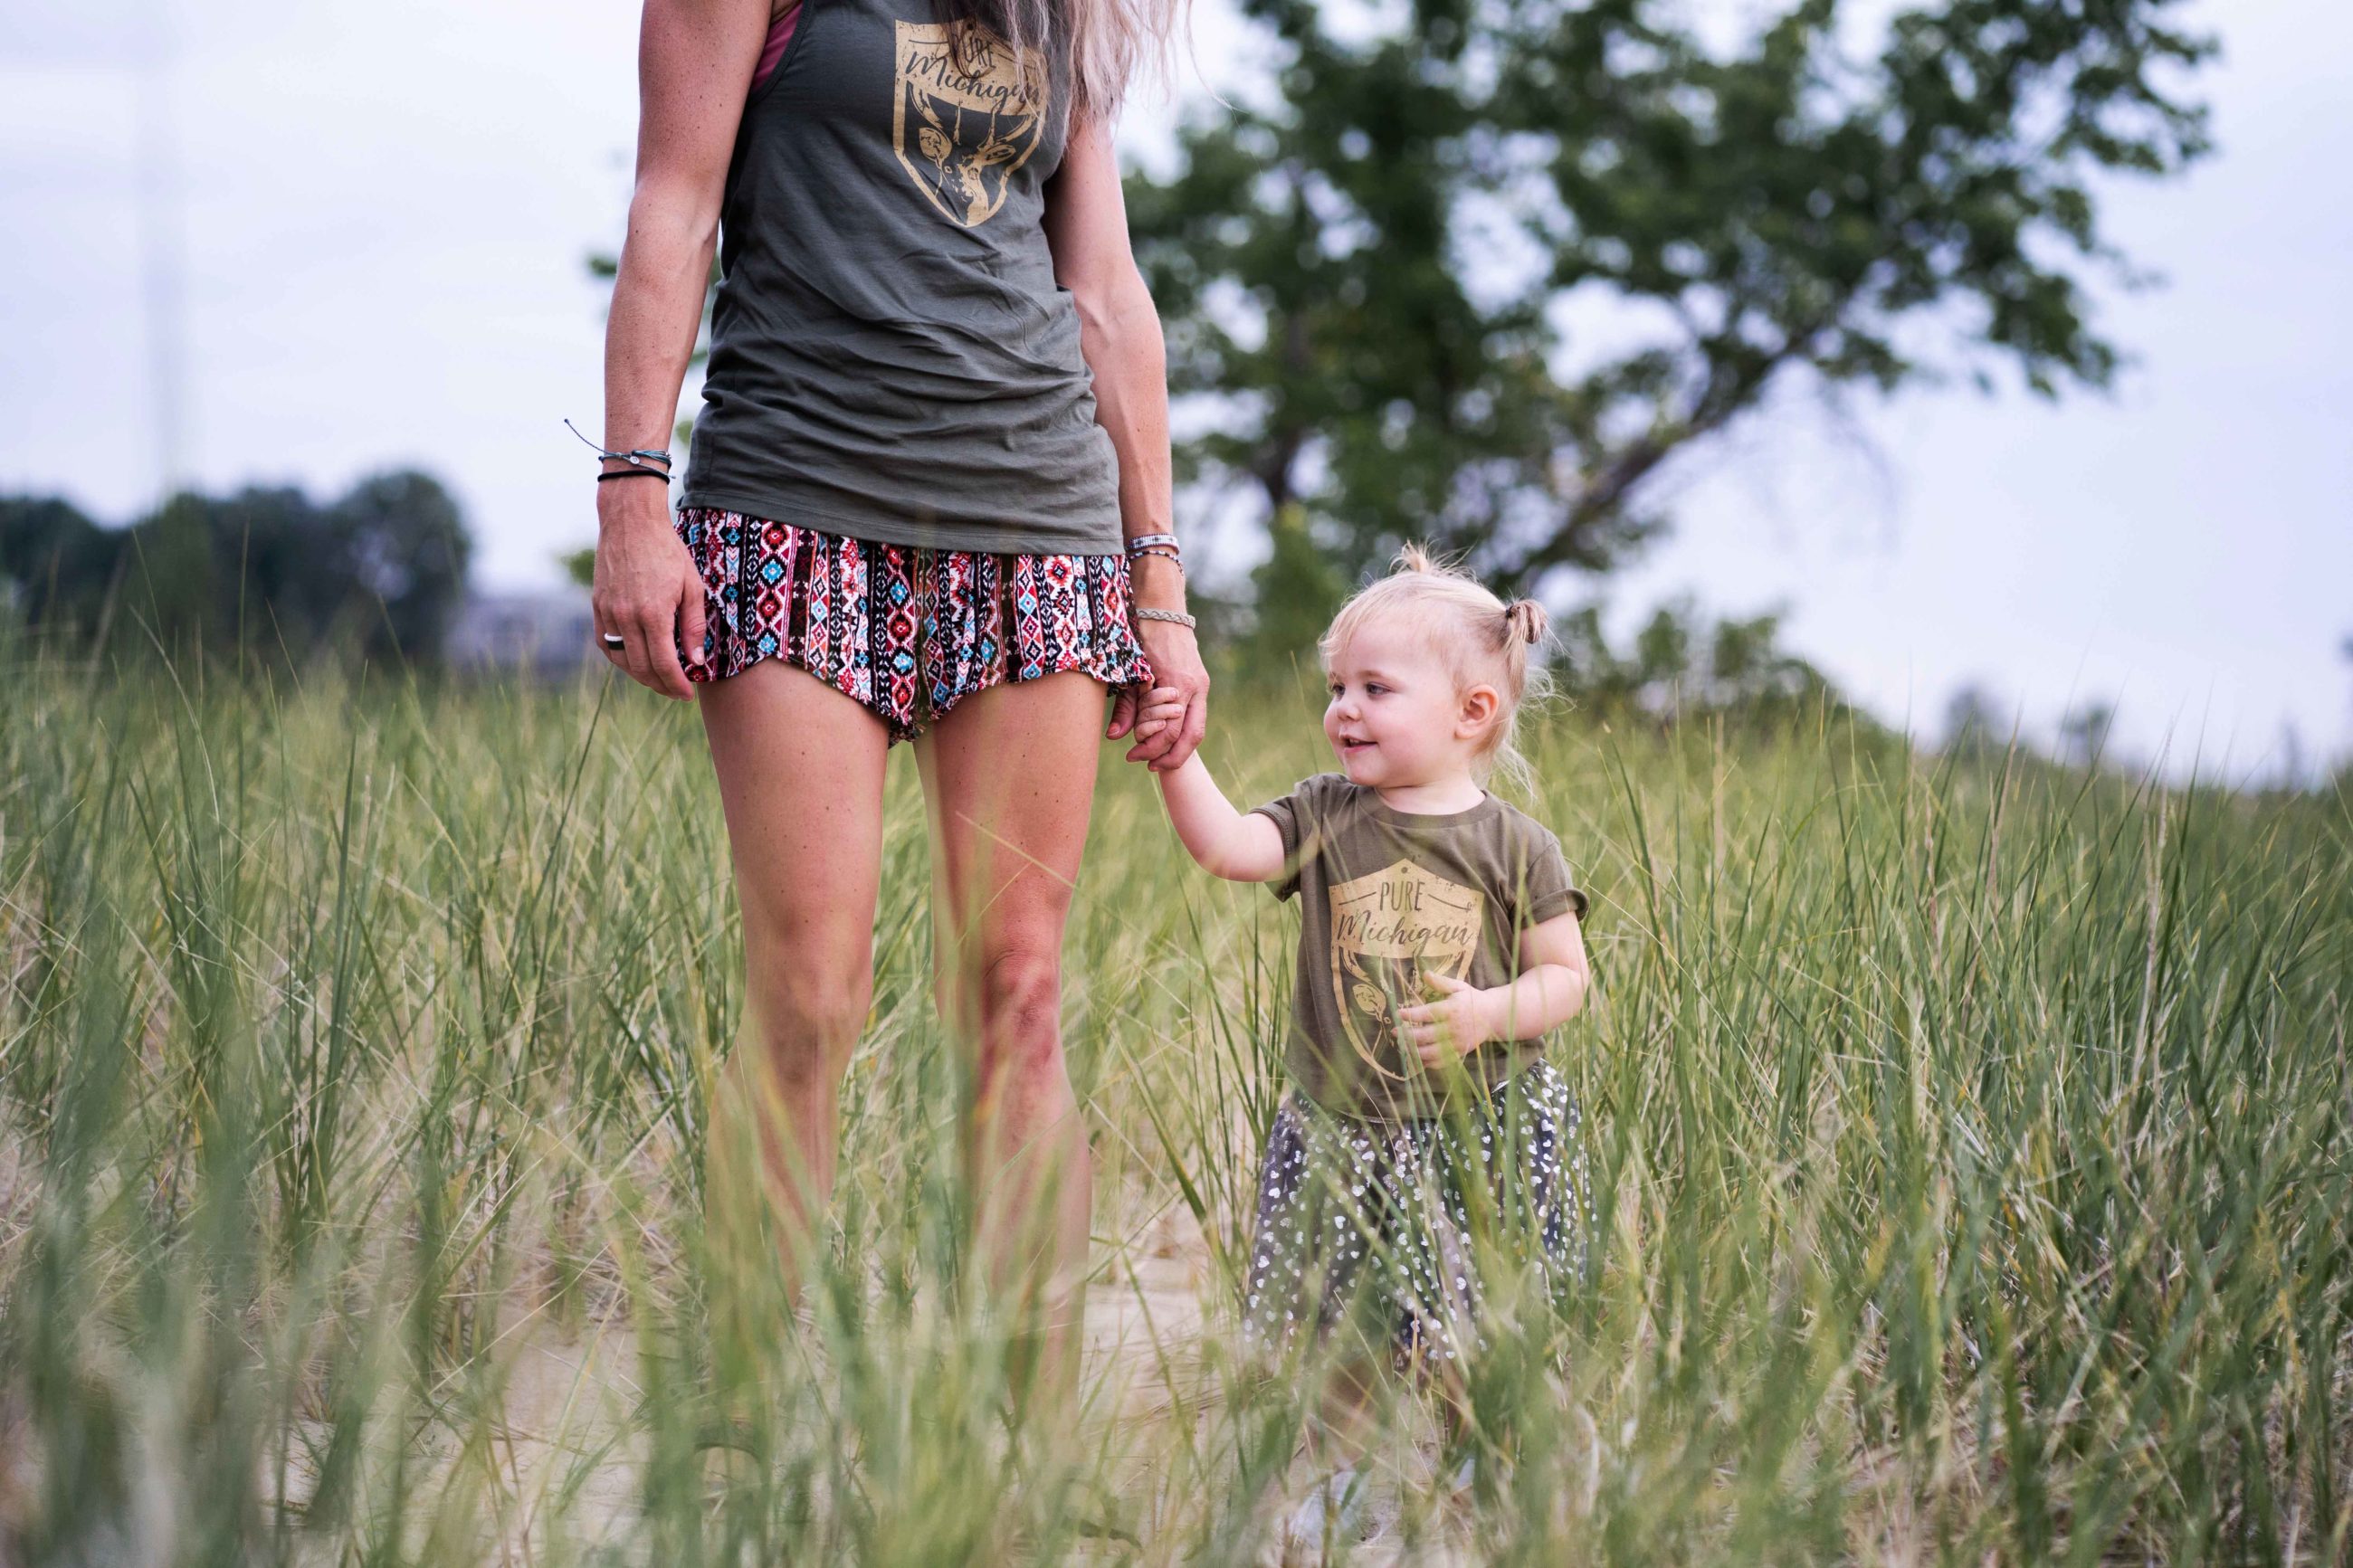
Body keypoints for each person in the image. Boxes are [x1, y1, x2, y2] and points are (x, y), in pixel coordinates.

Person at [588, 0, 1205, 1395]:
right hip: (799, 496)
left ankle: (1019, 1443)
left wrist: (1158, 580)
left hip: (1038, 522)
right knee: (810, 993)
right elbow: (672, 209)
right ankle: (743, 1429)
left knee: (1020, 988)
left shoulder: (1059, 14)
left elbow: (1103, 291)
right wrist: (632, 492)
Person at [1129, 546, 1592, 1542]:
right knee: (1337, 1329)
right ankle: (1353, 1480)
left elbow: (1566, 978)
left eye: (1374, 688)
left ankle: (1483, 1466)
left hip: (1480, 1129)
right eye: (1337, 686)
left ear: (1471, 712)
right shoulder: (1322, 812)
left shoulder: (1515, 844)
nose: (1343, 707)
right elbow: (1228, 848)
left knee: (1470, 1323)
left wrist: (1482, 1012)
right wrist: (1179, 762)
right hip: (1341, 1128)